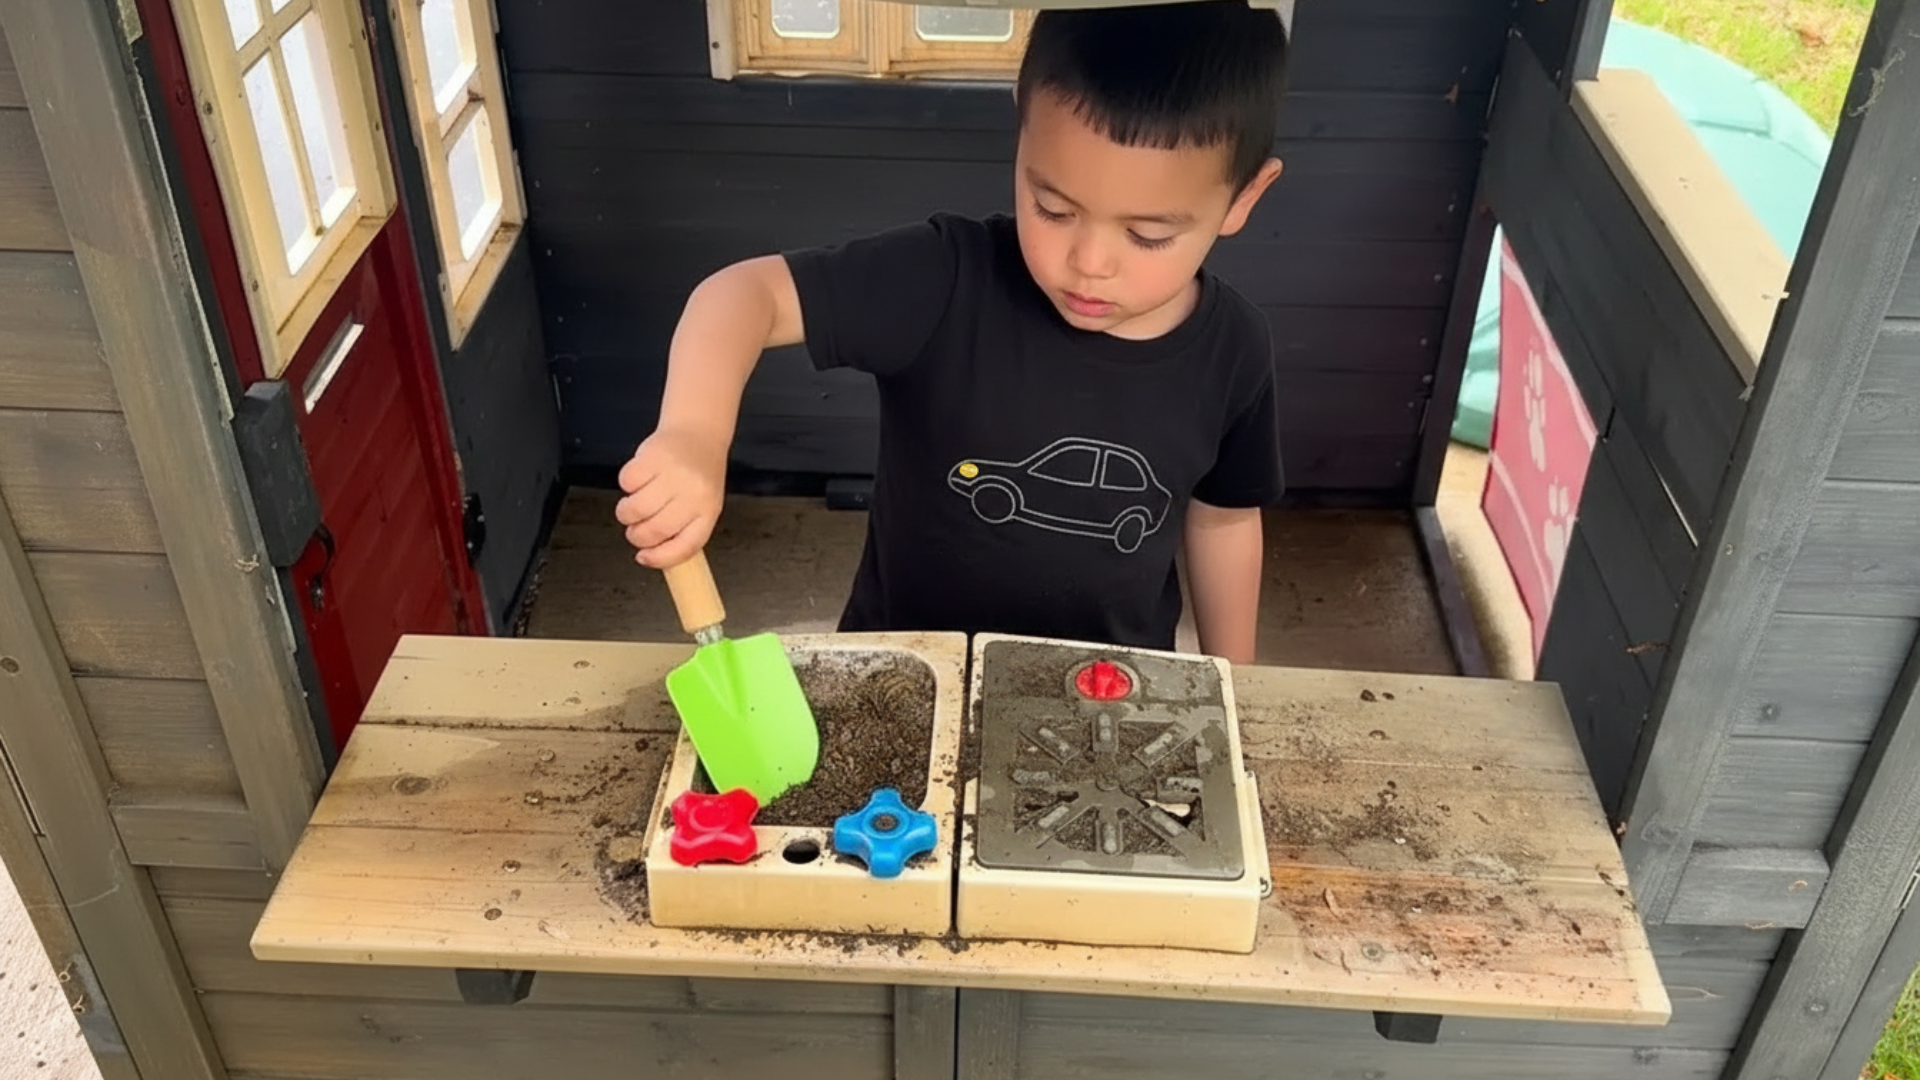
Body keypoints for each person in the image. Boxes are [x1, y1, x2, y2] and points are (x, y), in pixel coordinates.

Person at [614, 1, 1289, 665]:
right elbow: (742, 294)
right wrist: (693, 436)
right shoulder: (944, 278)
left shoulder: (1234, 351)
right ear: (1021, 131)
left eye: (1147, 235)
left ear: (1242, 199)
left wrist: (1239, 687)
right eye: (1052, 209)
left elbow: (1222, 518)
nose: (1089, 263)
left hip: (1103, 697)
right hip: (904, 674)